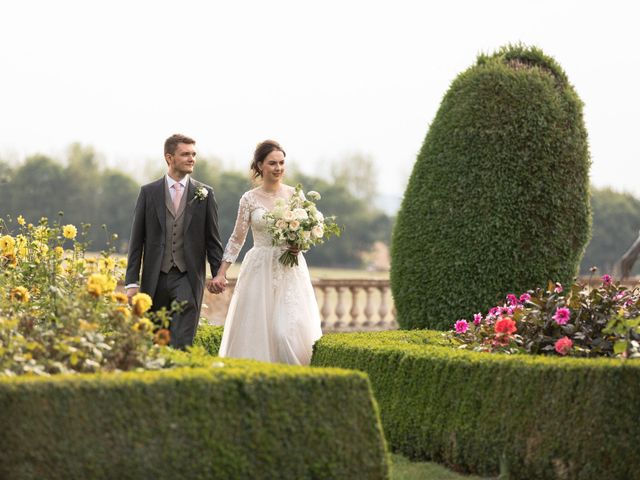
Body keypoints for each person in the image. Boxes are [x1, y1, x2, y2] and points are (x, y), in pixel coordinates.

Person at [210, 140, 322, 365]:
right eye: (272, 163)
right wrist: (221, 272)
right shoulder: (249, 199)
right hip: (259, 268)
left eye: (281, 163)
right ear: (260, 165)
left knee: (287, 330)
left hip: (290, 268)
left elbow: (309, 232)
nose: (278, 168)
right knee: (258, 330)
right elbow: (237, 239)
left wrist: (300, 245)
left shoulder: (295, 196)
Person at [125, 134, 223, 349]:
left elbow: (212, 239)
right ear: (169, 158)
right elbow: (136, 240)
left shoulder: (205, 194)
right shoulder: (148, 192)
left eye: (193, 154)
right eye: (185, 154)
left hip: (187, 277)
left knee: (181, 340)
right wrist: (132, 282)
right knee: (155, 340)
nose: (192, 159)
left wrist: (218, 274)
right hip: (155, 278)